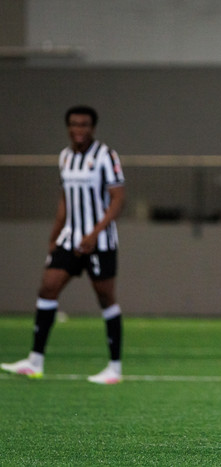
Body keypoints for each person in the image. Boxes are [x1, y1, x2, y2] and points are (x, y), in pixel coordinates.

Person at [1, 105, 126, 385]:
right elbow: (65, 199)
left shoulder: (106, 156)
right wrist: (54, 236)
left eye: (84, 124)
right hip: (70, 239)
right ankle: (35, 361)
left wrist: (94, 233)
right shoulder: (65, 157)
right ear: (68, 127)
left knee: (106, 298)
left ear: (92, 128)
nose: (78, 129)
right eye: (74, 124)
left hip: (99, 242)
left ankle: (114, 368)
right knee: (47, 288)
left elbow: (118, 198)